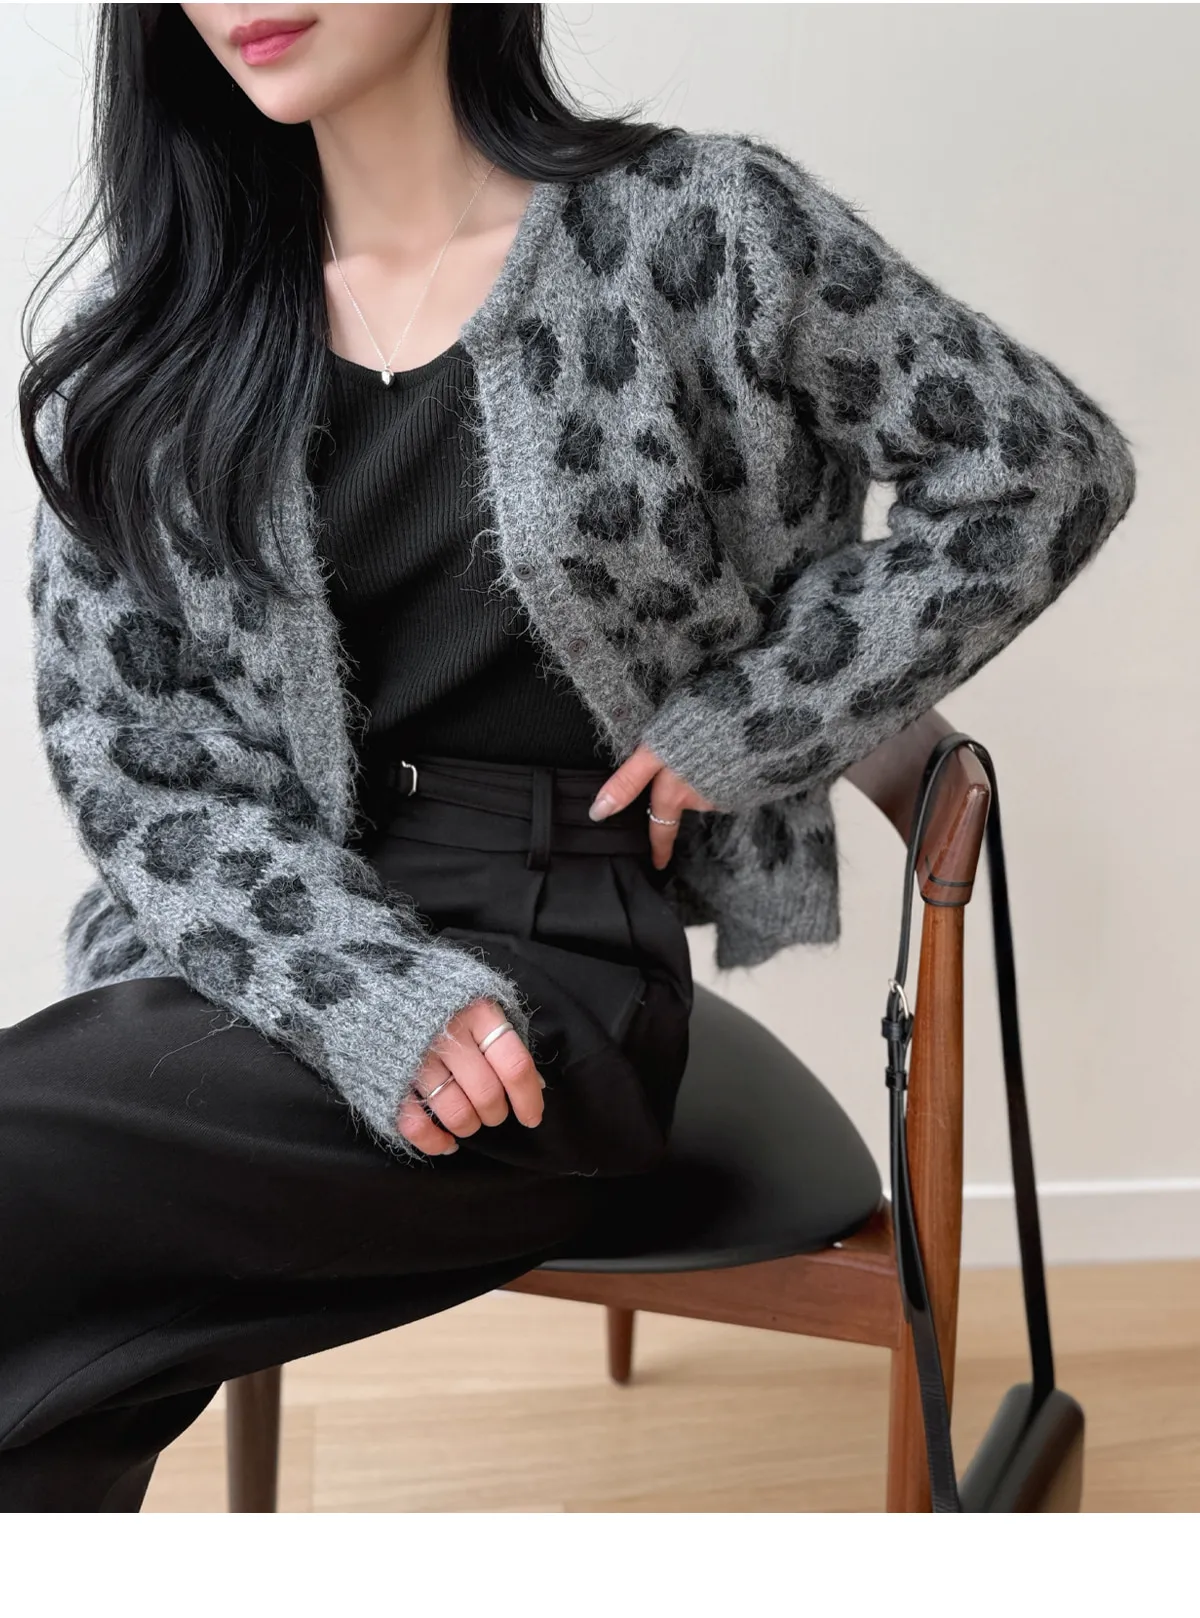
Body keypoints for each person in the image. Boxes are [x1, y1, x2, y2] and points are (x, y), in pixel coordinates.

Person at [2, 3, 1137, 1510]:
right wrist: (359, 991)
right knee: (55, 1353)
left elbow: (1041, 465)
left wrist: (760, 712)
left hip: (555, 963)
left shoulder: (701, 227)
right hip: (268, 942)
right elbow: (139, 762)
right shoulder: (162, 335)